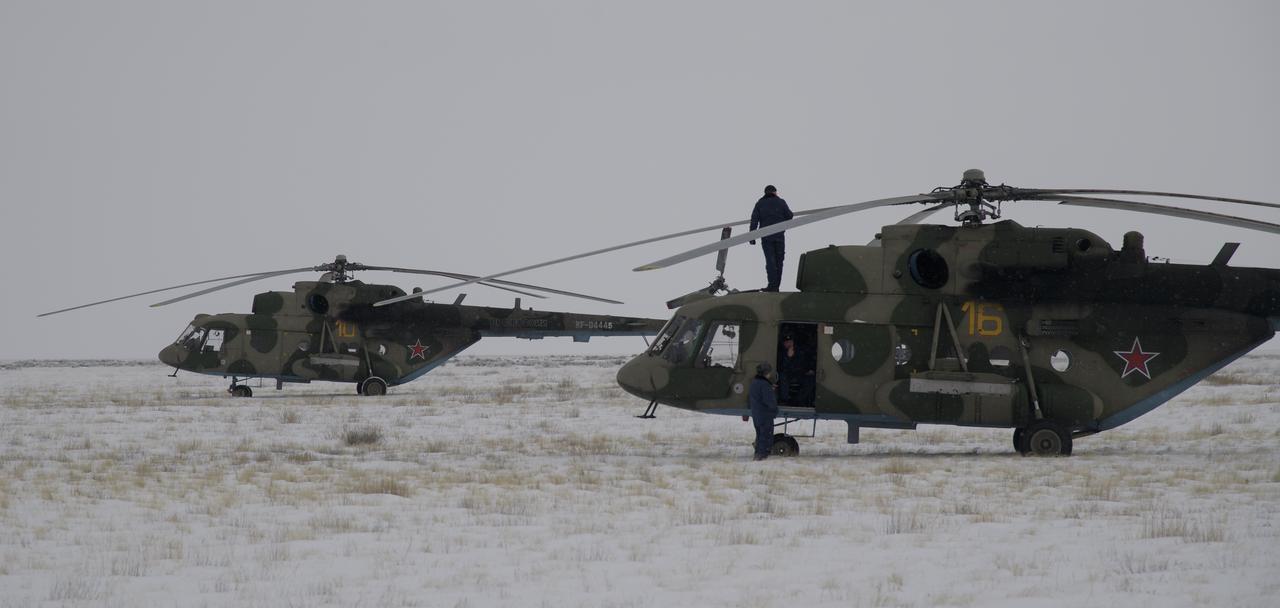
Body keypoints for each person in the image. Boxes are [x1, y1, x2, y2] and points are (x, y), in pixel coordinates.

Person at [749, 185, 794, 292]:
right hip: (779, 236)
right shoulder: (781, 202)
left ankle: (772, 285)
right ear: (774, 192)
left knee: (770, 261)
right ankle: (776, 286)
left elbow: (754, 220)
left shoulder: (760, 204)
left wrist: (752, 236)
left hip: (766, 237)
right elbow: (789, 216)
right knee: (779, 261)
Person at [749, 362, 779, 460]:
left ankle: (758, 453)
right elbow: (769, 401)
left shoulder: (754, 382)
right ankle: (761, 455)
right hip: (765, 414)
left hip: (757, 414)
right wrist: (774, 409)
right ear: (766, 373)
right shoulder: (765, 385)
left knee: (760, 435)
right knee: (766, 435)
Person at [777, 334, 815, 406]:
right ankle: (784, 400)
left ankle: (799, 400)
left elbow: (803, 363)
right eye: (787, 342)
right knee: (782, 377)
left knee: (810, 380)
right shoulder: (780, 352)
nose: (789, 344)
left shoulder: (799, 351)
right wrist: (788, 357)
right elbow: (781, 366)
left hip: (799, 374)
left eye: (790, 342)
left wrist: (808, 370)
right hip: (787, 375)